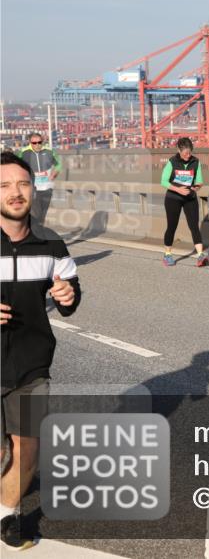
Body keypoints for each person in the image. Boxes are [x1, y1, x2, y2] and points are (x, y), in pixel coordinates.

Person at [1, 151, 81, 550]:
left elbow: (70, 293)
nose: (15, 193)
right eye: (4, 186)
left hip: (31, 363)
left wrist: (67, 295)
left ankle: (7, 517)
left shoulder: (51, 243)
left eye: (22, 184)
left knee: (27, 444)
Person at [161, 137, 208, 267]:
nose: (187, 156)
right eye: (185, 153)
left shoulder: (195, 162)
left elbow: (199, 181)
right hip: (173, 198)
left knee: (194, 227)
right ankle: (168, 254)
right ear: (179, 150)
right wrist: (178, 190)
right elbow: (163, 181)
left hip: (190, 198)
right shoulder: (172, 162)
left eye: (189, 153)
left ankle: (200, 255)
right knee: (172, 226)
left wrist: (196, 187)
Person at [17, 134, 61, 227]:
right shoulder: (23, 152)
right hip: (33, 188)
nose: (37, 145)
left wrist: (55, 173)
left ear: (42, 141)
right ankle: (35, 233)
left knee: (43, 214)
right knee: (36, 213)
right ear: (30, 143)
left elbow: (59, 164)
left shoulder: (49, 151)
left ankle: (38, 232)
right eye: (34, 143)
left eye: (39, 142)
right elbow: (16, 166)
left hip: (47, 187)